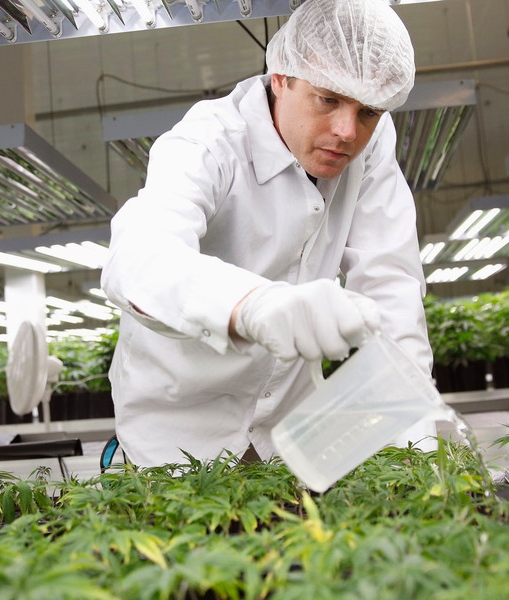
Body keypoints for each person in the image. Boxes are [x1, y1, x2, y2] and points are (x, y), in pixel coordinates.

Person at [100, 0, 433, 467]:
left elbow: (390, 283)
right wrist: (251, 306)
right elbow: (140, 261)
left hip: (291, 432)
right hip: (179, 433)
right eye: (328, 99)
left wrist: (412, 440)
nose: (346, 132)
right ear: (281, 77)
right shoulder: (207, 142)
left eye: (368, 112)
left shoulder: (372, 142)